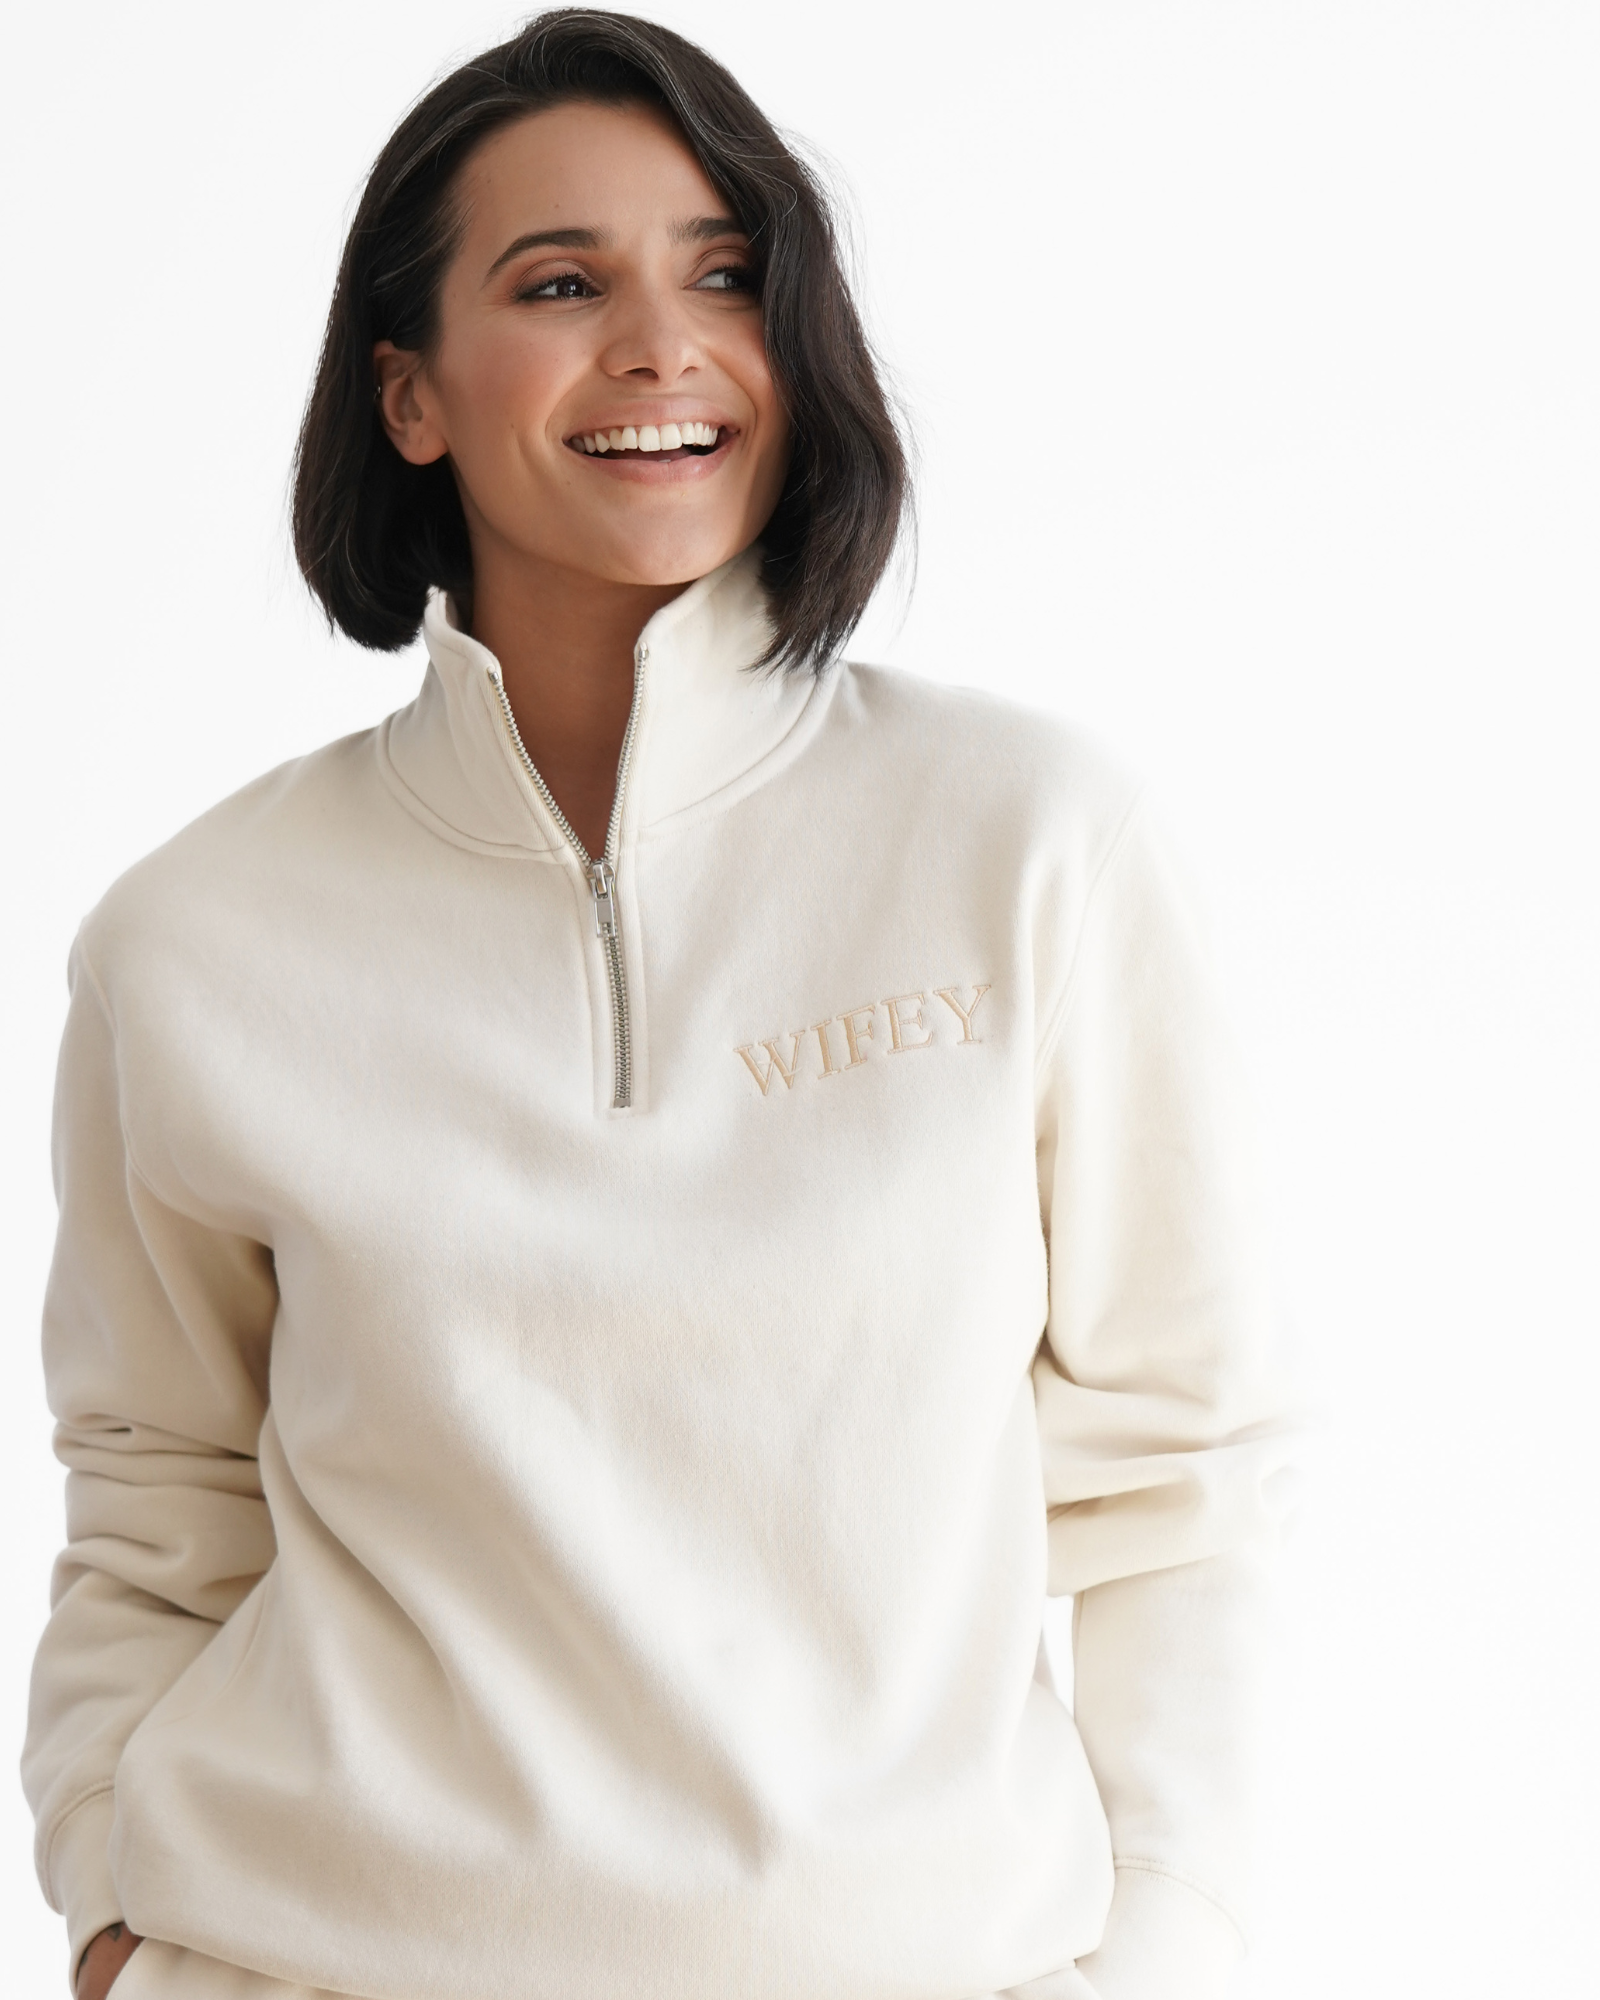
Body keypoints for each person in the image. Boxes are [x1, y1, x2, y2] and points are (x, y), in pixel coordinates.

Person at [22, 11, 1295, 1999]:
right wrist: (113, 1900)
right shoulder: (192, 939)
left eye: (724, 275)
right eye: (559, 285)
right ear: (409, 394)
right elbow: (155, 1499)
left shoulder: (1032, 845)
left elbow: (1177, 1486)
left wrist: (1167, 1955)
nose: (660, 347)